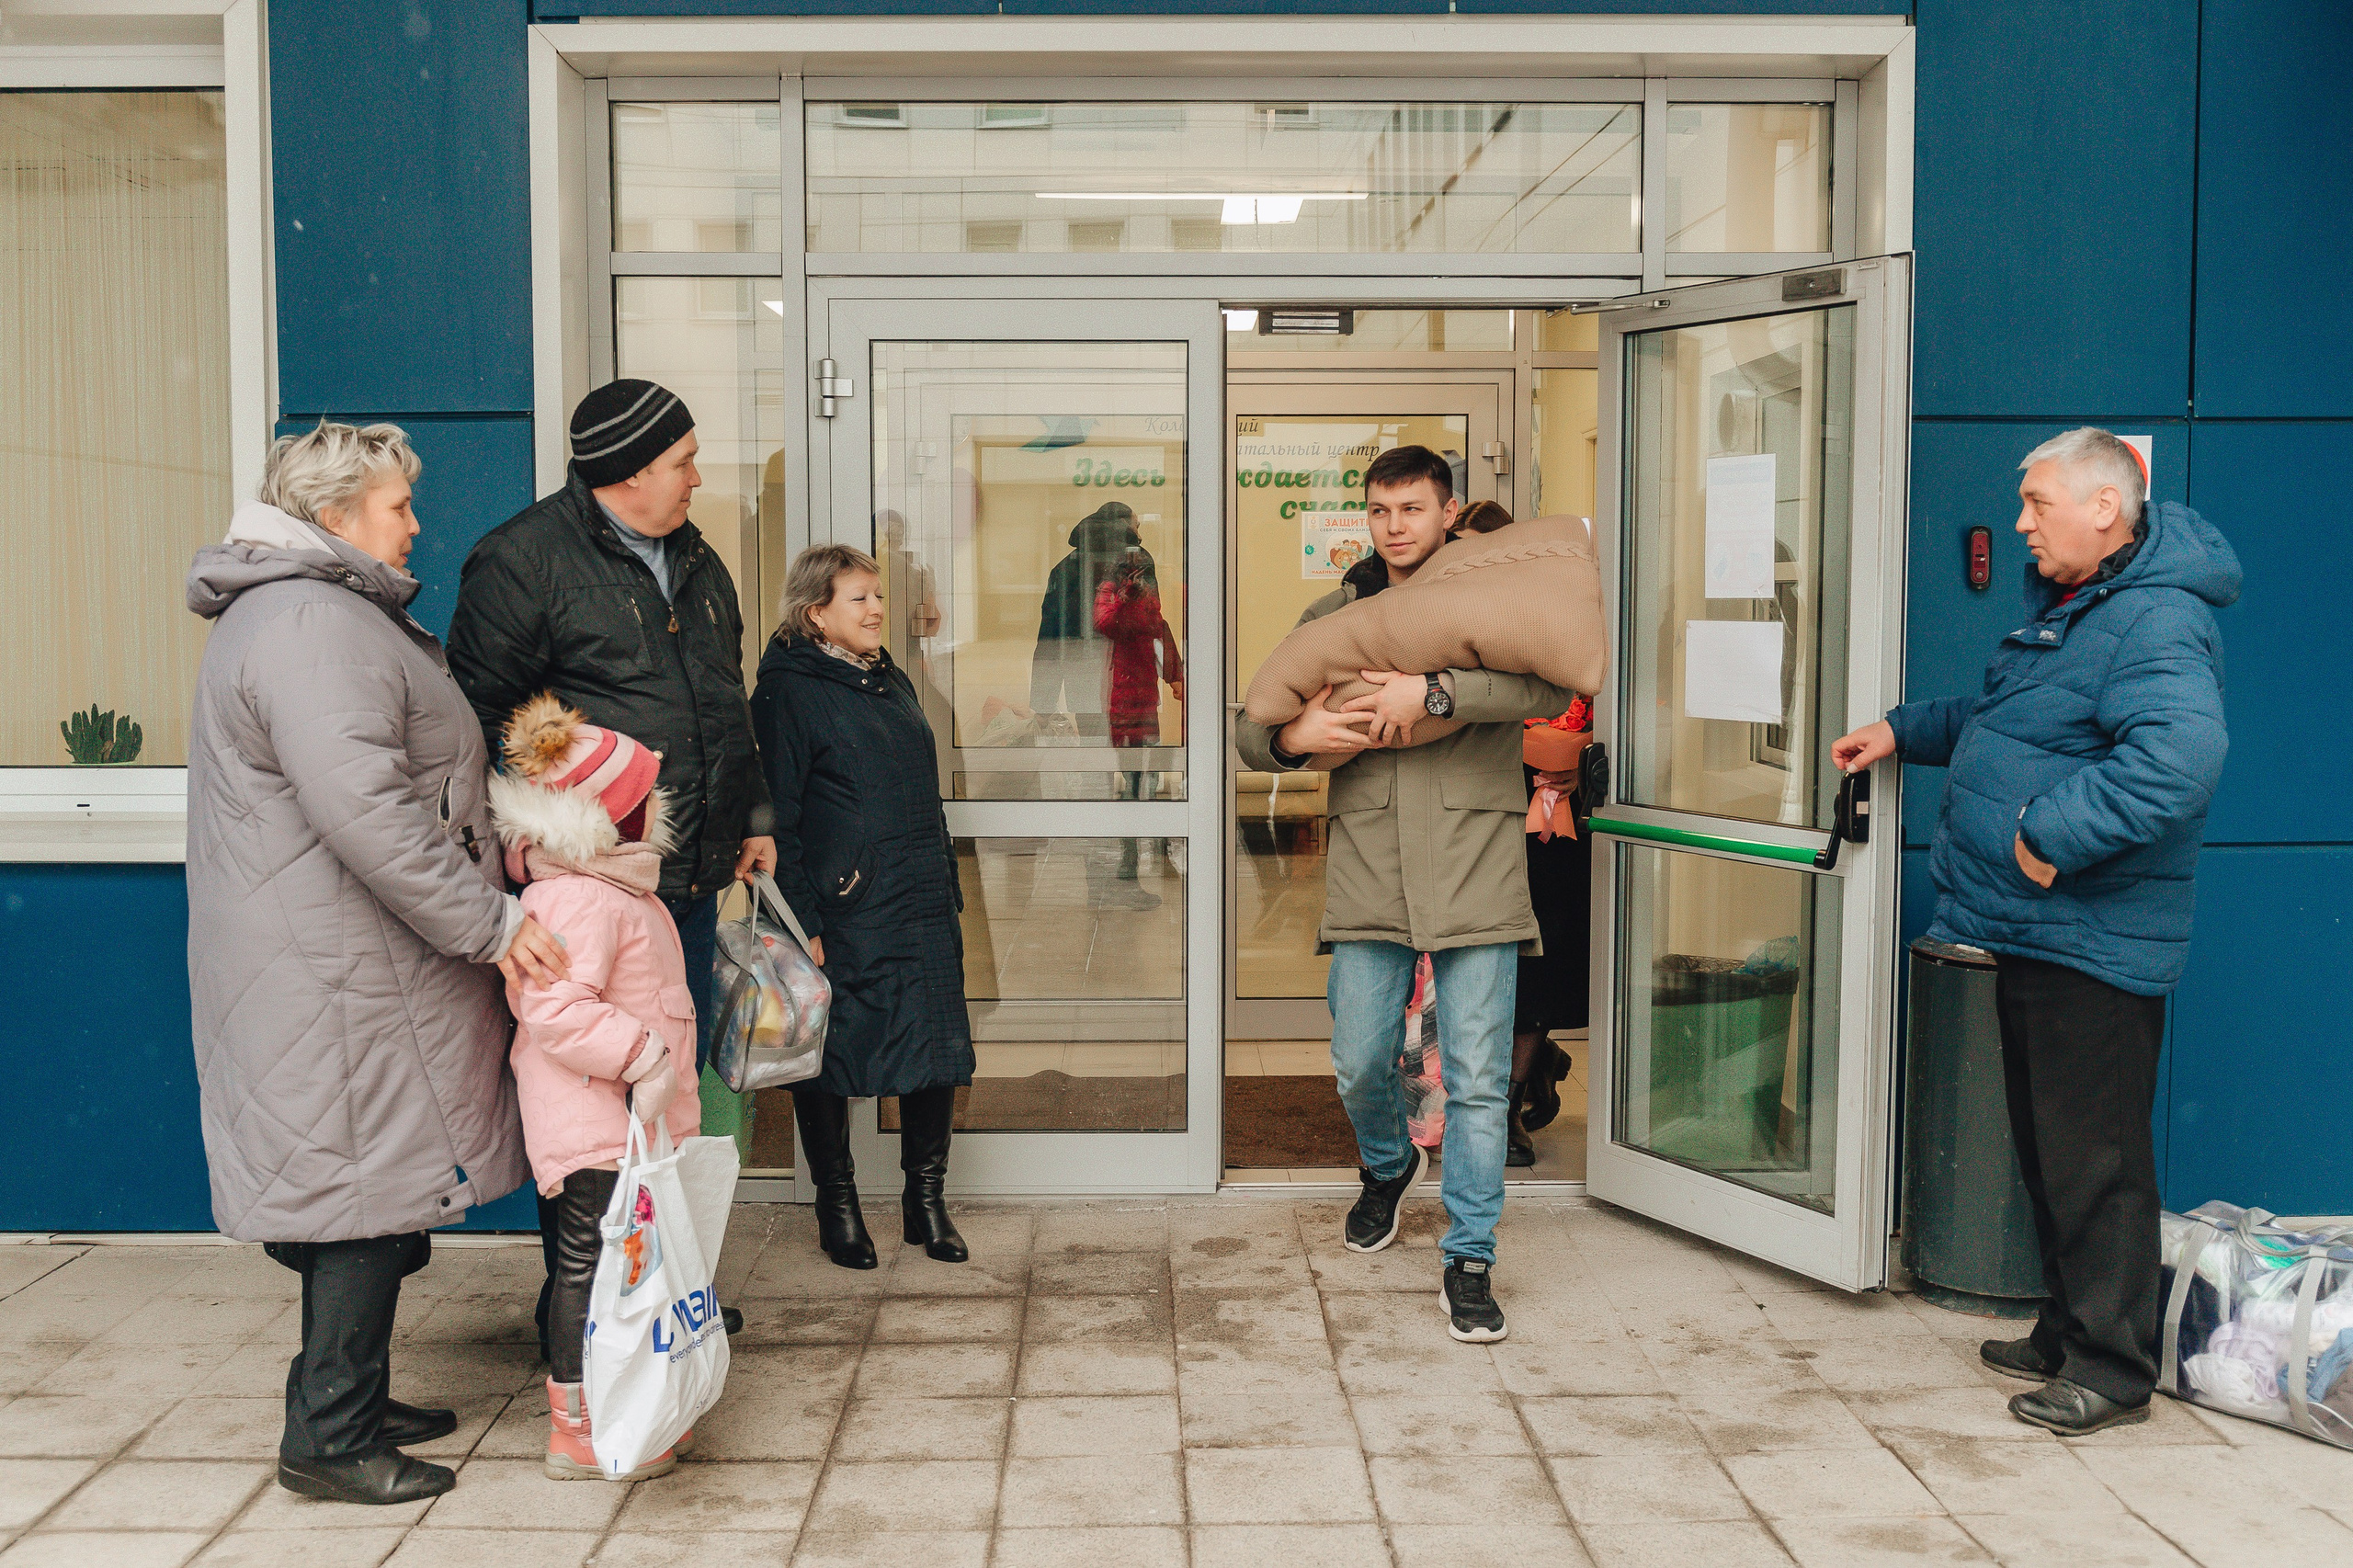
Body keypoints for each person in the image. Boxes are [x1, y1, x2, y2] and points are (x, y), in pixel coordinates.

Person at [185, 423, 569, 1506]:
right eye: (397, 504)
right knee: (353, 1189)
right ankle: (332, 1436)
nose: (414, 521)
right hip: (335, 965)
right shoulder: (311, 622)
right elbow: (372, 817)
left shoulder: (315, 611)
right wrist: (491, 923)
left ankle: (342, 1398)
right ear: (334, 515)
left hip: (335, 956)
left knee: (366, 1179)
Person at [1833, 427, 2237, 1436]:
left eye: (2035, 503)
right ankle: (2064, 1327)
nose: (2019, 522)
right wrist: (1901, 728)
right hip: (2036, 929)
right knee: (2051, 1145)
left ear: (2105, 507)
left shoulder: (2151, 619)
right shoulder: (2085, 607)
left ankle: (2110, 1368)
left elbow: (2180, 759)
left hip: (2090, 937)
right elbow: (2007, 718)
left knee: (2092, 1154)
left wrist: (2048, 831)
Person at [446, 380, 767, 1352]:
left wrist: (748, 812)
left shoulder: (696, 558)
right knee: (592, 1102)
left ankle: (667, 1278)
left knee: (673, 1093)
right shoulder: (522, 561)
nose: (697, 478)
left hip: (685, 883)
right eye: (682, 461)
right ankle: (587, 1307)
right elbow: (473, 723)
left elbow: (723, 693)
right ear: (627, 472)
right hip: (587, 887)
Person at [1235, 447, 1580, 1343]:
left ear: (1448, 511)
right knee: (1357, 1056)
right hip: (1368, 873)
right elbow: (1251, 730)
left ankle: (1469, 1258)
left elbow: (1549, 682)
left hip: (1476, 868)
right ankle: (1386, 1165)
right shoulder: (1339, 613)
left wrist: (1430, 688)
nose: (1395, 524)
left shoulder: (1490, 604)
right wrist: (1294, 736)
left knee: (1474, 1082)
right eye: (1381, 508)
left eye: (1412, 507)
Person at [488, 696, 703, 1483]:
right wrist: (646, 1057)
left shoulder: (611, 886)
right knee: (585, 1262)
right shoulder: (579, 894)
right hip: (590, 1115)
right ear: (615, 815)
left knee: (615, 1267)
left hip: (615, 1116)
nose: (660, 812)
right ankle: (578, 1428)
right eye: (649, 800)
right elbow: (554, 1006)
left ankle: (618, 1403)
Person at [750, 544, 977, 1270]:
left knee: (934, 1049)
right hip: (843, 908)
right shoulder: (788, 690)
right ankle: (837, 1204)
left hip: (918, 899)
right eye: (859, 598)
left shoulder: (890, 680)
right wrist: (802, 919)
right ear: (816, 613)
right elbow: (775, 818)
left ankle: (925, 1201)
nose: (878, 608)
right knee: (829, 1056)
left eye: (878, 594)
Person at [1449, 500, 1590, 1167]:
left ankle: (1507, 1104)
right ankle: (1495, 1083)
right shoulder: (1438, 622)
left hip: (1550, 830)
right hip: (1471, 818)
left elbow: (1591, 696)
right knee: (1469, 966)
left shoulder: (1553, 620)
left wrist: (1573, 766)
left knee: (1539, 971)